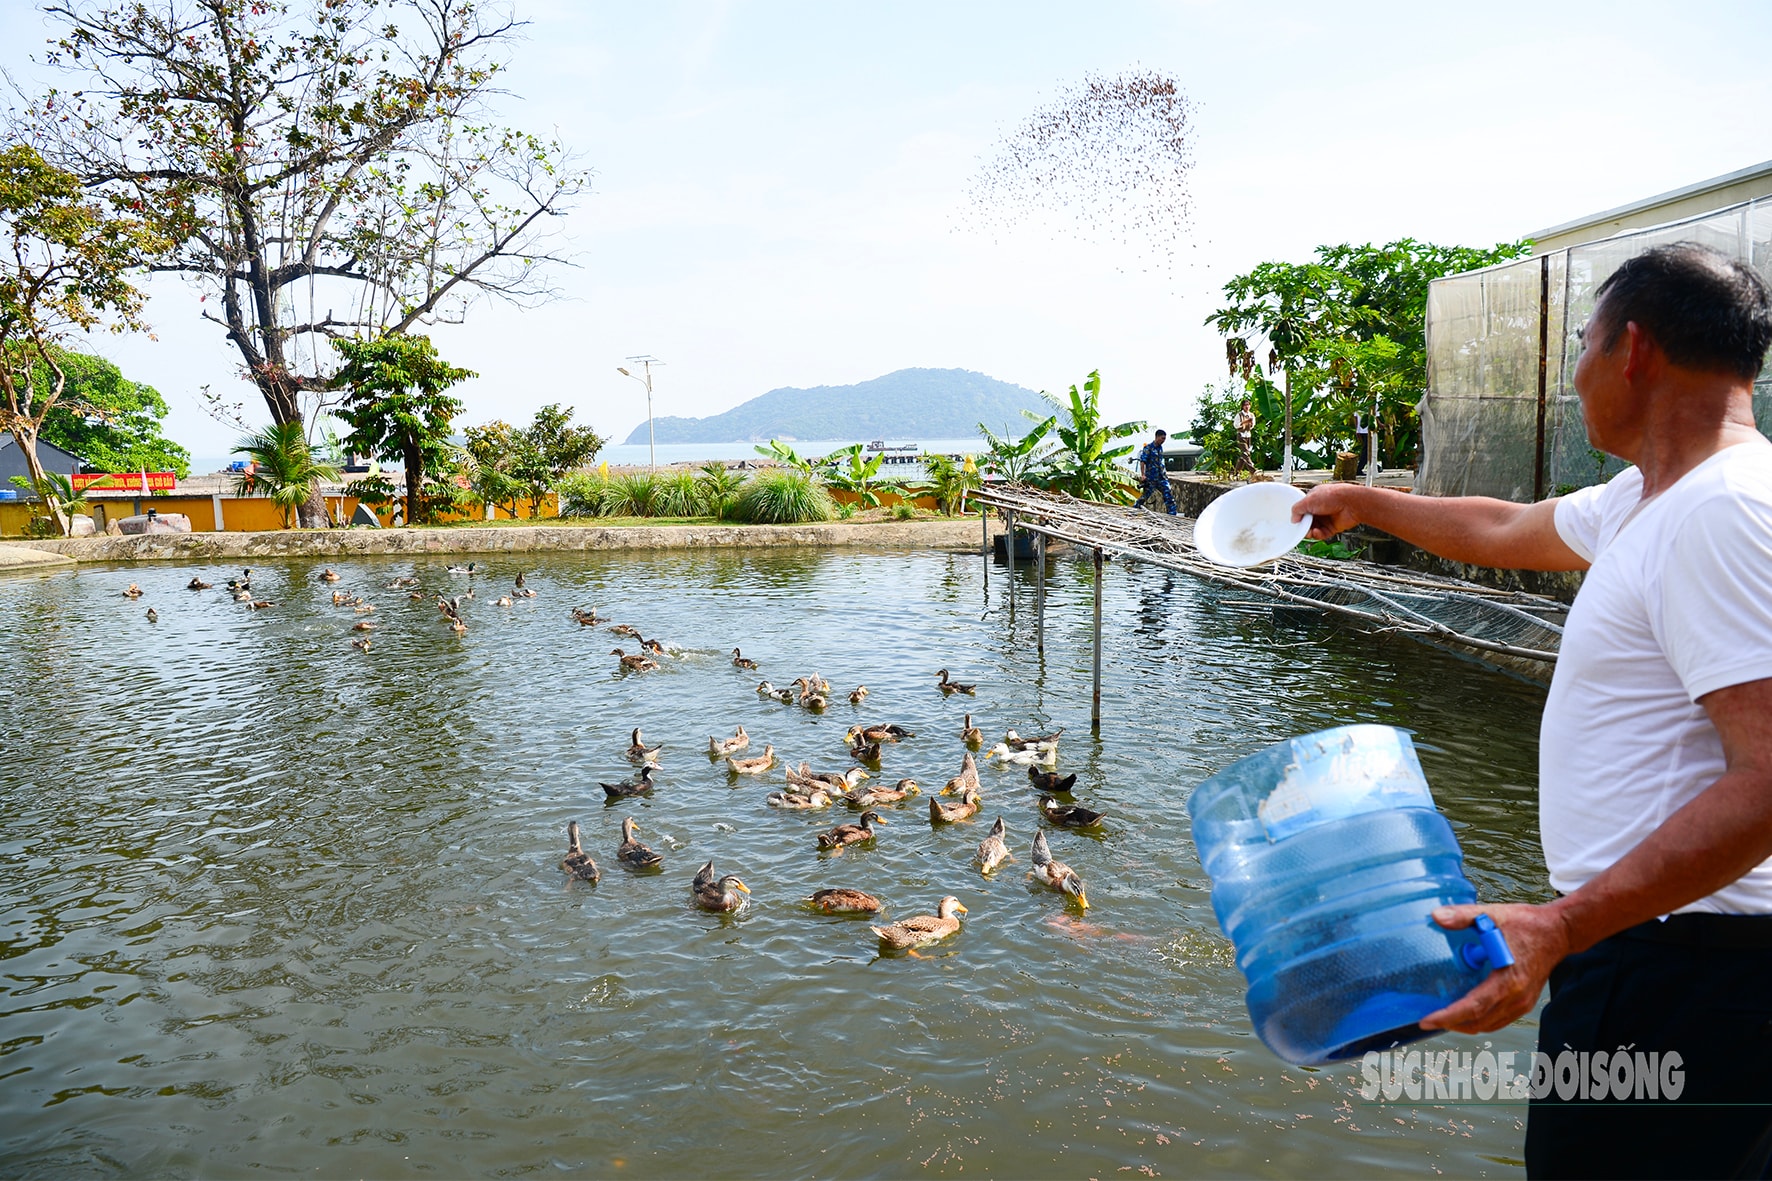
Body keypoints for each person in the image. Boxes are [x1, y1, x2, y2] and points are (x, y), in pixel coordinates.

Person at [1293, 242, 1772, 1179]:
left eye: (1583, 346)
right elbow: (1506, 528)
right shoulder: (1651, 497)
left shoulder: (1724, 511)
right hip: (1648, 951)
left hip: (1687, 969)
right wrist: (1363, 501)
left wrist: (1562, 925)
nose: (1576, 374)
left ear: (1632, 350)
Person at [1135, 429, 1178, 514]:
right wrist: (1143, 475)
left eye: (1164, 439)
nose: (1163, 441)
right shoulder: (1148, 448)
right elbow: (1143, 461)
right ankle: (1134, 510)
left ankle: (1172, 514)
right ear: (1157, 437)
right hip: (1151, 477)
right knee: (1145, 496)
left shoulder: (1160, 448)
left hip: (1161, 477)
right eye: (1162, 438)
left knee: (1168, 494)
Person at [1233, 398, 1257, 478]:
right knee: (1246, 453)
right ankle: (1253, 471)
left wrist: (1249, 423)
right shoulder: (1239, 415)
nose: (1247, 407)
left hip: (1248, 436)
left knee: (1243, 456)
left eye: (1248, 405)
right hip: (1241, 436)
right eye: (1245, 405)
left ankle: (1236, 473)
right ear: (1242, 406)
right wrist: (1245, 422)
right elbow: (1236, 425)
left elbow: (1252, 425)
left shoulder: (1251, 415)